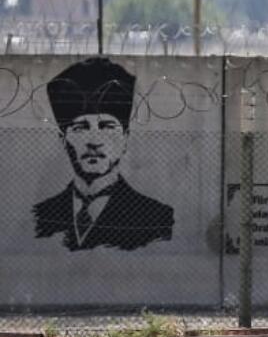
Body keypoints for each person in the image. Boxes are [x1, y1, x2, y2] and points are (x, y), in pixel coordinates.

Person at [33, 58, 174, 251]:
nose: (93, 141)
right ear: (63, 140)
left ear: (125, 138)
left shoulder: (156, 218)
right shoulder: (42, 215)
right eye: (80, 128)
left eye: (107, 127)